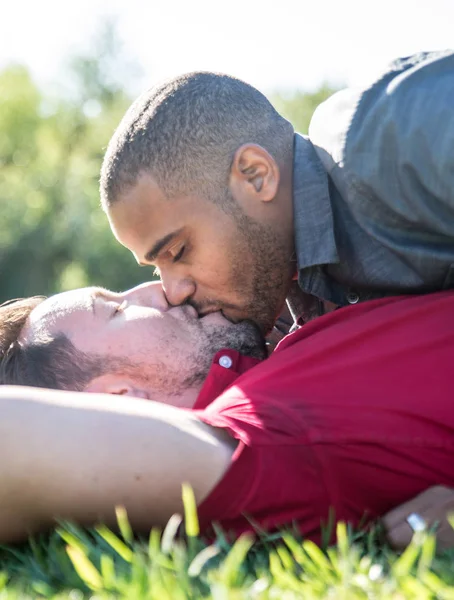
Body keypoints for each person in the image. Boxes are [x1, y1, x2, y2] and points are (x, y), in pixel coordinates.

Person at [1, 282, 454, 548]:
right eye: (116, 309)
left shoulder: (291, 337)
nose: (161, 288)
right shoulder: (258, 445)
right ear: (119, 401)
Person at [100, 50, 454, 334]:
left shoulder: (388, 137)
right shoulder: (275, 288)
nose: (174, 293)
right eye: (155, 270)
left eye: (178, 252)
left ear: (256, 176)